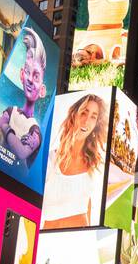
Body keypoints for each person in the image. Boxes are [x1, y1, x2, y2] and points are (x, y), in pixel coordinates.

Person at [41, 93, 109, 229]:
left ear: (96, 124)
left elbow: (87, 206)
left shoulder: (95, 166)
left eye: (93, 117)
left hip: (81, 242)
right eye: (84, 113)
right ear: (74, 115)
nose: (86, 121)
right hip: (48, 242)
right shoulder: (48, 160)